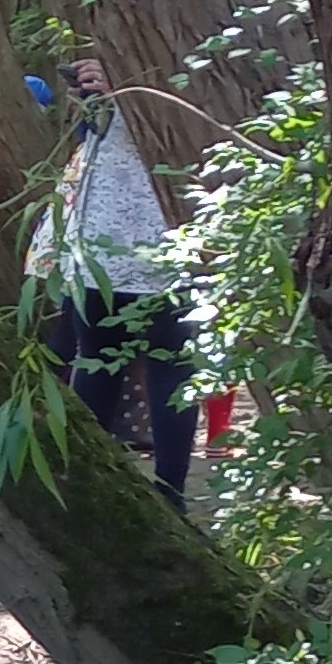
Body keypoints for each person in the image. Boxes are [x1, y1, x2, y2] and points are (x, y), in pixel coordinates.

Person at [28, 56, 198, 506]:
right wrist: (89, 103)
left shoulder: (175, 67)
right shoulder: (148, 59)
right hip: (102, 233)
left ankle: (167, 493)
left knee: (166, 362)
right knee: (101, 357)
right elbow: (91, 142)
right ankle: (93, 487)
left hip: (164, 227)